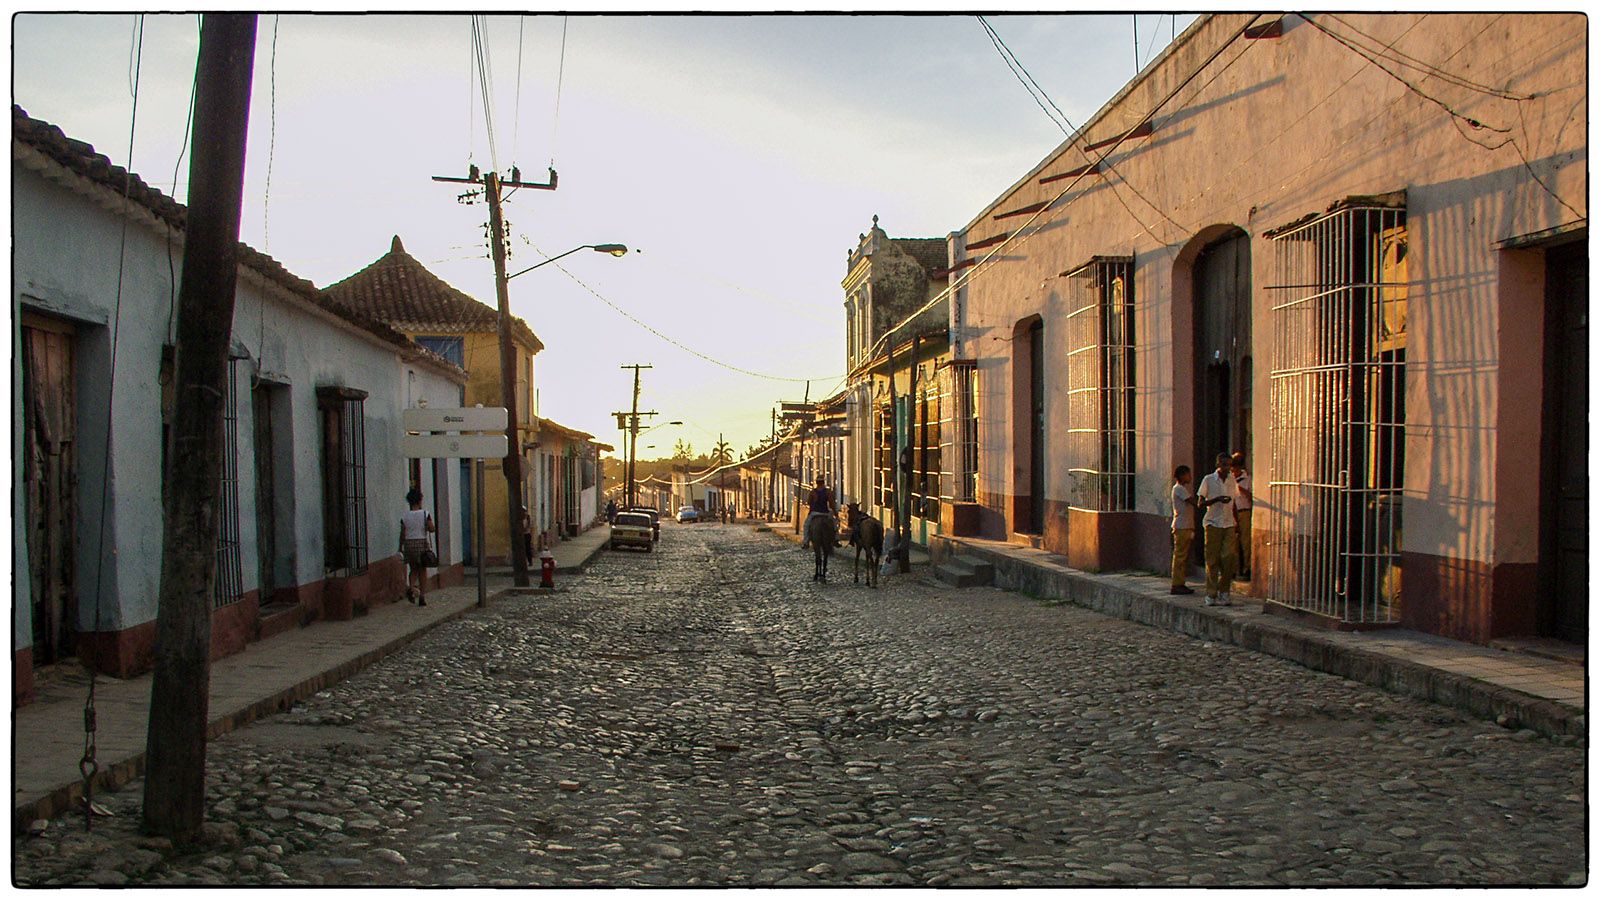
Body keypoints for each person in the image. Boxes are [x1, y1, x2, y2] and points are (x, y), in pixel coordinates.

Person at [1195, 453, 1239, 607]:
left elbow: (1234, 503)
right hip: (1213, 523)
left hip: (1228, 523)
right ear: (1218, 464)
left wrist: (1236, 522)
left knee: (1228, 558)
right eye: (1225, 464)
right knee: (1212, 560)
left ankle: (1224, 590)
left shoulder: (1232, 480)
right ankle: (1211, 592)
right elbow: (1200, 503)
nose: (1228, 468)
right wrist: (1217, 500)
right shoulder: (1208, 480)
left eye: (1229, 465)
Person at [399, 487, 435, 606]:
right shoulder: (425, 514)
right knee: (422, 570)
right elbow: (431, 528)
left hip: (409, 544)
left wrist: (400, 548)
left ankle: (411, 587)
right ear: (420, 501)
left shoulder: (405, 516)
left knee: (413, 568)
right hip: (421, 543)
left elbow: (402, 534)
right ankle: (422, 596)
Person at [1170, 465, 1198, 595]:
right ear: (1182, 476)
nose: (1190, 477)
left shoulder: (1181, 489)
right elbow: (1193, 502)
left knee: (1182, 556)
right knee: (1180, 556)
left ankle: (1179, 582)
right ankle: (1177, 583)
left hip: (1185, 525)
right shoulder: (1179, 489)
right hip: (1182, 526)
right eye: (1188, 474)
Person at [1230, 451, 1253, 581]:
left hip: (1244, 511)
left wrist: (1240, 488)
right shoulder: (1229, 479)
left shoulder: (1247, 479)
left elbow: (1251, 496)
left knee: (1245, 541)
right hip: (1232, 511)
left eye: (1236, 467)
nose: (1234, 470)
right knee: (1232, 541)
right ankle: (1234, 568)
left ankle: (1247, 567)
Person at [800, 476, 836, 549]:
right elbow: (831, 503)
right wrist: (835, 512)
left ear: (816, 483)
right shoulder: (827, 492)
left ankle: (806, 542)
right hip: (825, 513)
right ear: (823, 483)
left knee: (806, 526)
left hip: (815, 513)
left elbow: (809, 502)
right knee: (835, 525)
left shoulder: (813, 492)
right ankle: (836, 539)